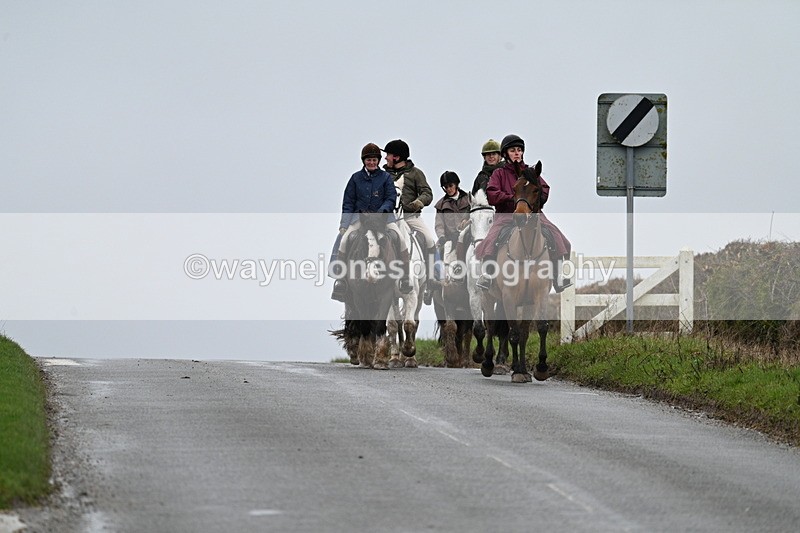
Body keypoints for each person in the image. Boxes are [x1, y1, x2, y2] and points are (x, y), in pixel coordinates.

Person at [474, 134, 573, 293]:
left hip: (533, 215)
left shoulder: (530, 172)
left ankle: (558, 275)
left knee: (560, 239)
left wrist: (535, 198)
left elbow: (545, 189)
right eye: (513, 150)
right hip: (506, 215)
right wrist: (514, 199)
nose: (517, 153)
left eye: (519, 150)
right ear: (506, 153)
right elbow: (492, 194)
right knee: (490, 239)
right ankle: (487, 274)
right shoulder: (499, 173)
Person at [331, 143, 412, 302]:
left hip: (383, 219)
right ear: (364, 161)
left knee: (400, 239)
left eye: (374, 160)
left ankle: (405, 277)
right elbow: (348, 202)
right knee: (344, 239)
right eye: (369, 160)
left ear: (378, 160)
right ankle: (340, 279)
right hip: (360, 219)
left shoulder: (386, 177)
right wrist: (344, 224)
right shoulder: (355, 178)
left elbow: (390, 198)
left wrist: (381, 212)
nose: (372, 163)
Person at [382, 139, 438, 304]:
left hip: (411, 218)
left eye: (388, 155)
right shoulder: (384, 175)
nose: (385, 158)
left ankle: (432, 279)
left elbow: (427, 193)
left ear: (397, 157)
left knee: (429, 240)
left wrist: (418, 203)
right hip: (389, 219)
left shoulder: (415, 173)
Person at [434, 171, 471, 282]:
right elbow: (439, 224)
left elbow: (475, 215)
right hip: (449, 238)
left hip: (468, 234)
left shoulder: (469, 199)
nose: (449, 189)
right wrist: (441, 236)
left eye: (451, 186)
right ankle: (432, 286)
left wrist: (467, 221)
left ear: (456, 185)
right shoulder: (441, 205)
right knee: (434, 252)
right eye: (446, 187)